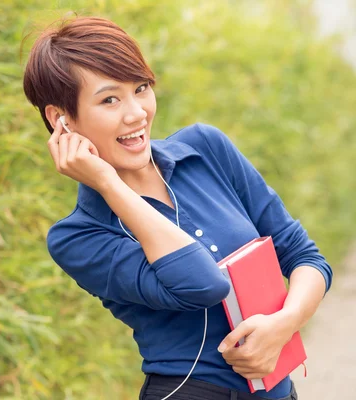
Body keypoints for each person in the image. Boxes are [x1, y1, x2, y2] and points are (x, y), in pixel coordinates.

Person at [22, 16, 332, 400]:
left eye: (141, 88)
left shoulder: (206, 149)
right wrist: (107, 183)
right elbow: (204, 284)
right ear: (61, 120)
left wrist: (286, 323)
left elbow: (306, 257)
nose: (136, 113)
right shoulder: (78, 237)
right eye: (109, 99)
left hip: (279, 390)